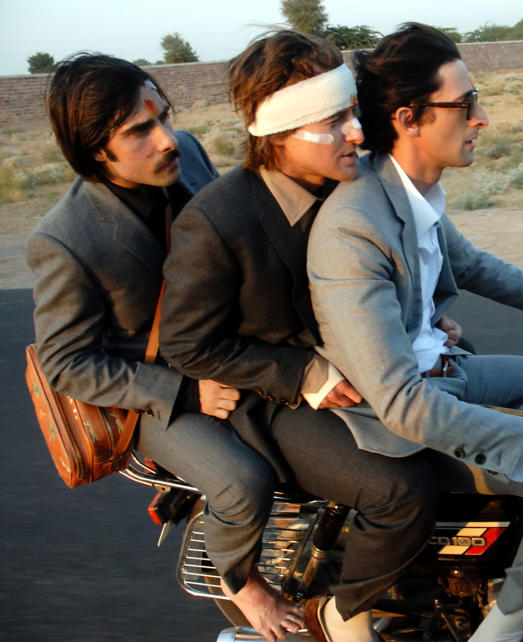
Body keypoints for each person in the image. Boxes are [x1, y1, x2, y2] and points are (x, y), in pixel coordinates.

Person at [306, 23, 523, 642]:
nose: (481, 118)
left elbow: (469, 262)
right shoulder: (354, 226)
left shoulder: (407, 188)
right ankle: (503, 629)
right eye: (465, 105)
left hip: (447, 369)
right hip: (410, 414)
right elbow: (402, 404)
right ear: (409, 118)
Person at [159, 30, 448, 642]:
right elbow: (188, 345)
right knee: (404, 489)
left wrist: (421, 309)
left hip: (367, 367)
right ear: (281, 132)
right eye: (334, 119)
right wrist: (305, 376)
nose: (357, 132)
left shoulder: (355, 188)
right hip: (273, 399)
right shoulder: (217, 221)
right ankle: (341, 620)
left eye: (352, 113)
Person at [24, 54, 302, 639]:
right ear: (94, 149)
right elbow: (67, 362)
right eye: (139, 131)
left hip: (227, 341)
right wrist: (184, 392)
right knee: (243, 481)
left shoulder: (190, 152)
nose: (167, 139)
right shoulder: (64, 239)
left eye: (164, 117)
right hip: (156, 387)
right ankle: (239, 580)